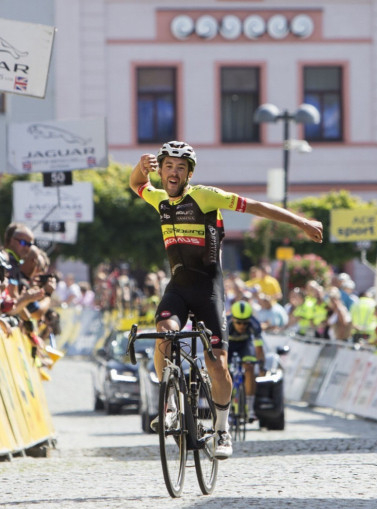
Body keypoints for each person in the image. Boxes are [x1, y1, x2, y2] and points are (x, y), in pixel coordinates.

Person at [130, 140, 322, 457]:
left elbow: (256, 207)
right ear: (162, 172)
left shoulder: (204, 196)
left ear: (189, 173)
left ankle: (221, 429)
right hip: (177, 287)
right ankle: (170, 406)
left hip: (208, 289)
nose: (173, 172)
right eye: (168, 167)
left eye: (181, 167)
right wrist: (141, 167)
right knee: (163, 332)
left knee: (216, 361)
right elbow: (137, 183)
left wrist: (301, 223)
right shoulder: (159, 200)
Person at [226, 300, 266, 421]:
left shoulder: (254, 324)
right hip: (228, 345)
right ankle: (226, 406)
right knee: (222, 370)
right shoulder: (225, 324)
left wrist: (261, 367)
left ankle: (250, 408)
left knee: (249, 367)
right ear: (233, 319)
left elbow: (259, 348)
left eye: (245, 323)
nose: (242, 326)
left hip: (245, 344)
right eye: (238, 322)